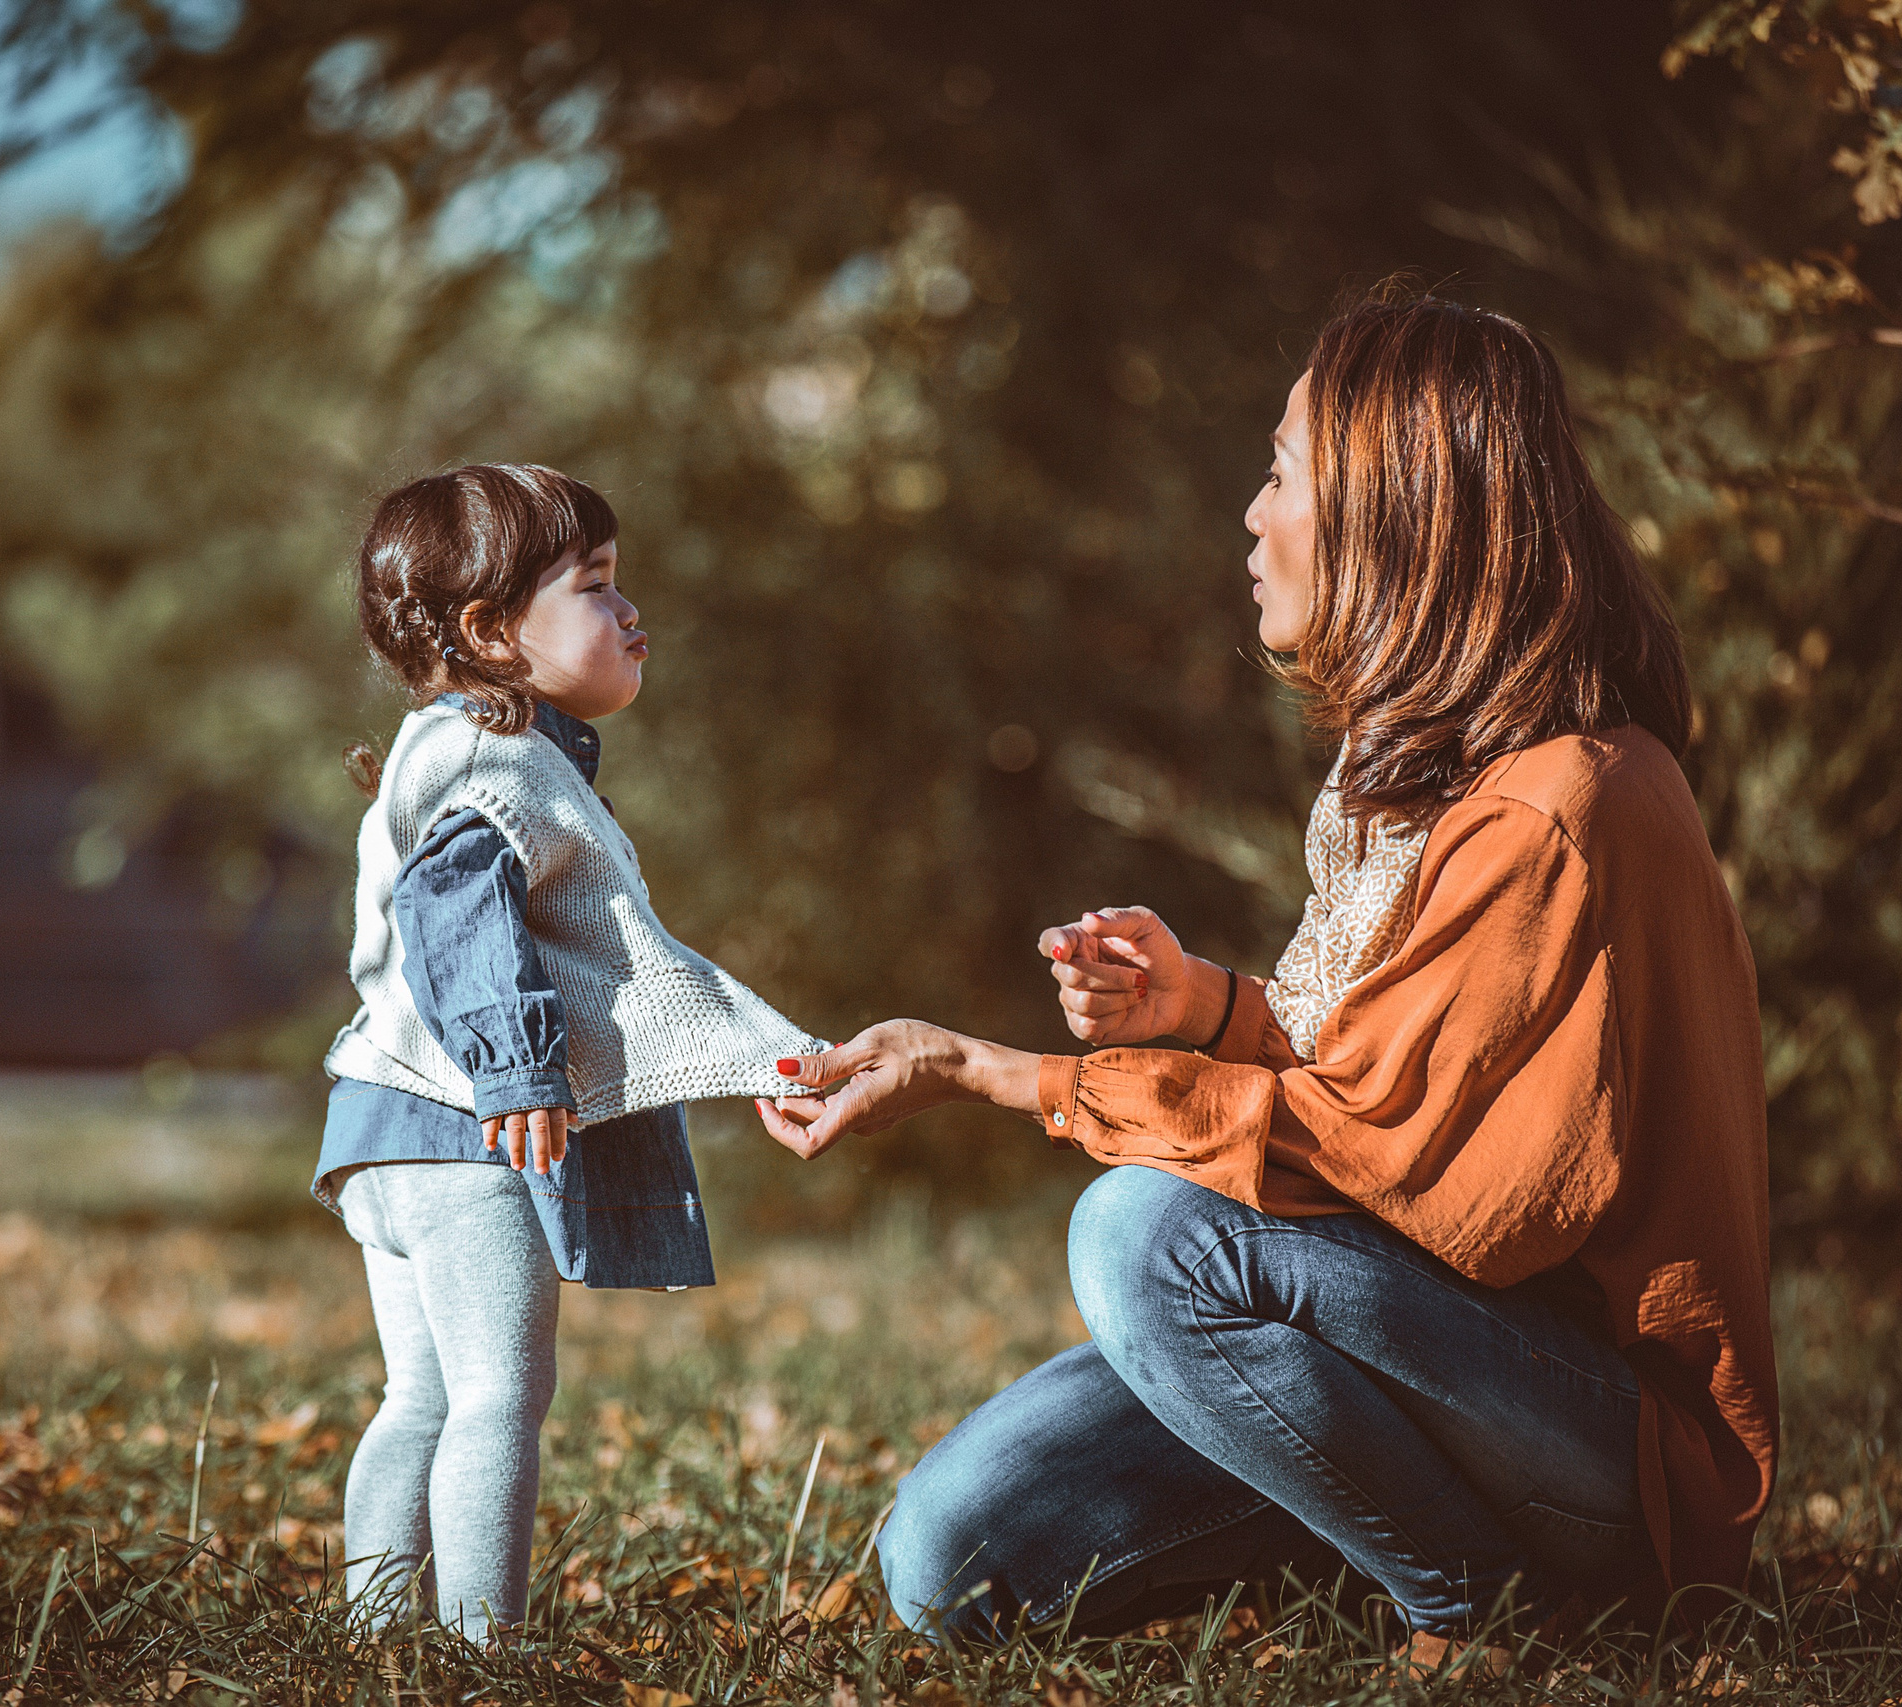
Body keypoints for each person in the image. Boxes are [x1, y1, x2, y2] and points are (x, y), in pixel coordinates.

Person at [759, 293, 1778, 1661]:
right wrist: (1210, 1008)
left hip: (1604, 1448)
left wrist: (989, 1071)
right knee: (949, 1554)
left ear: (1394, 514)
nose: (1252, 514)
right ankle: (1377, 1524)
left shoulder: (1558, 808)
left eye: (1285, 472)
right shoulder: (1427, 787)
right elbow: (1377, 1077)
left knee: (1147, 1236)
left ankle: (1481, 1609)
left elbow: (1408, 1177)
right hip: (1421, 1375)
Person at [320, 463, 823, 1639]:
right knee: (500, 1395)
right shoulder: (495, 764)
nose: (630, 610)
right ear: (492, 631)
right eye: (596, 585)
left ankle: (374, 1631)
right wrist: (515, 1069)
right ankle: (482, 1643)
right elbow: (457, 914)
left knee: (422, 1396)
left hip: (380, 1125)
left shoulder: (441, 747)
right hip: (461, 1132)